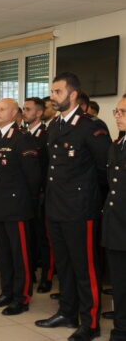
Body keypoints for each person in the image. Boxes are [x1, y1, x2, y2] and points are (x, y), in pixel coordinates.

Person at [35, 73, 110, 341]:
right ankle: (67, 312)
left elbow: (104, 171)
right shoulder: (54, 126)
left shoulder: (91, 126)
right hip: (56, 207)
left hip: (80, 209)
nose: (52, 96)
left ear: (73, 94)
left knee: (85, 267)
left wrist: (90, 201)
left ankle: (90, 323)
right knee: (64, 265)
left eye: (57, 91)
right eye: (52, 92)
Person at [0, 98, 41, 316]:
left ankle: (22, 297)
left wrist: (24, 201)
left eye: (2, 110)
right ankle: (7, 292)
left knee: (20, 255)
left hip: (17, 206)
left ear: (15, 112)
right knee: (4, 253)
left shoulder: (22, 138)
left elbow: (33, 177)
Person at [22, 97, 53, 293]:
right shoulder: (22, 134)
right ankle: (30, 271)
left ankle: (47, 277)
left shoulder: (46, 135)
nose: (24, 112)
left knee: (43, 238)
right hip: (25, 194)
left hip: (41, 193)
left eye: (28, 109)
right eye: (23, 108)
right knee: (28, 236)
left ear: (39, 113)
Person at [102, 93, 126, 341]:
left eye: (123, 111)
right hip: (116, 223)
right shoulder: (117, 145)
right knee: (119, 283)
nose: (117, 115)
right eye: (116, 111)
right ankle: (121, 328)